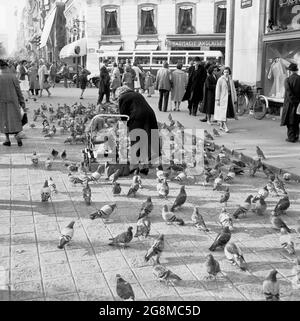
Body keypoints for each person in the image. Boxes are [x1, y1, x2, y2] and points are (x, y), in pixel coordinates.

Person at [117, 85, 161, 167]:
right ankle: (153, 159)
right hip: (150, 113)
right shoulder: (137, 94)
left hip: (137, 116)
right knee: (151, 135)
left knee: (137, 137)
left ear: (119, 93)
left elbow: (123, 115)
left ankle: (137, 160)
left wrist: (124, 126)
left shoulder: (122, 97)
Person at [0, 59, 26, 147]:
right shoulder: (12, 76)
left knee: (4, 120)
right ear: (6, 66)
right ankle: (18, 139)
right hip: (13, 101)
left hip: (2, 102)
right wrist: (22, 102)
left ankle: (7, 140)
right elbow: (18, 90)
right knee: (15, 120)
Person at [214, 67, 238, 133]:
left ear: (229, 72)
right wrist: (217, 99)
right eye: (225, 72)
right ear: (223, 73)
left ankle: (221, 126)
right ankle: (225, 126)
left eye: (227, 72)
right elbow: (218, 90)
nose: (226, 73)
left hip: (229, 98)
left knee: (225, 113)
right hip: (222, 99)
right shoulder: (220, 80)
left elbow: (233, 90)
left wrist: (235, 98)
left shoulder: (230, 80)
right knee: (223, 113)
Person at [281, 63, 300, 143]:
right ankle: (296, 135)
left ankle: (291, 137)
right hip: (299, 104)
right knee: (297, 120)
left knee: (290, 121)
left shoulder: (288, 80)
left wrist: (294, 101)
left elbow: (289, 93)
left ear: (290, 71)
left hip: (290, 104)